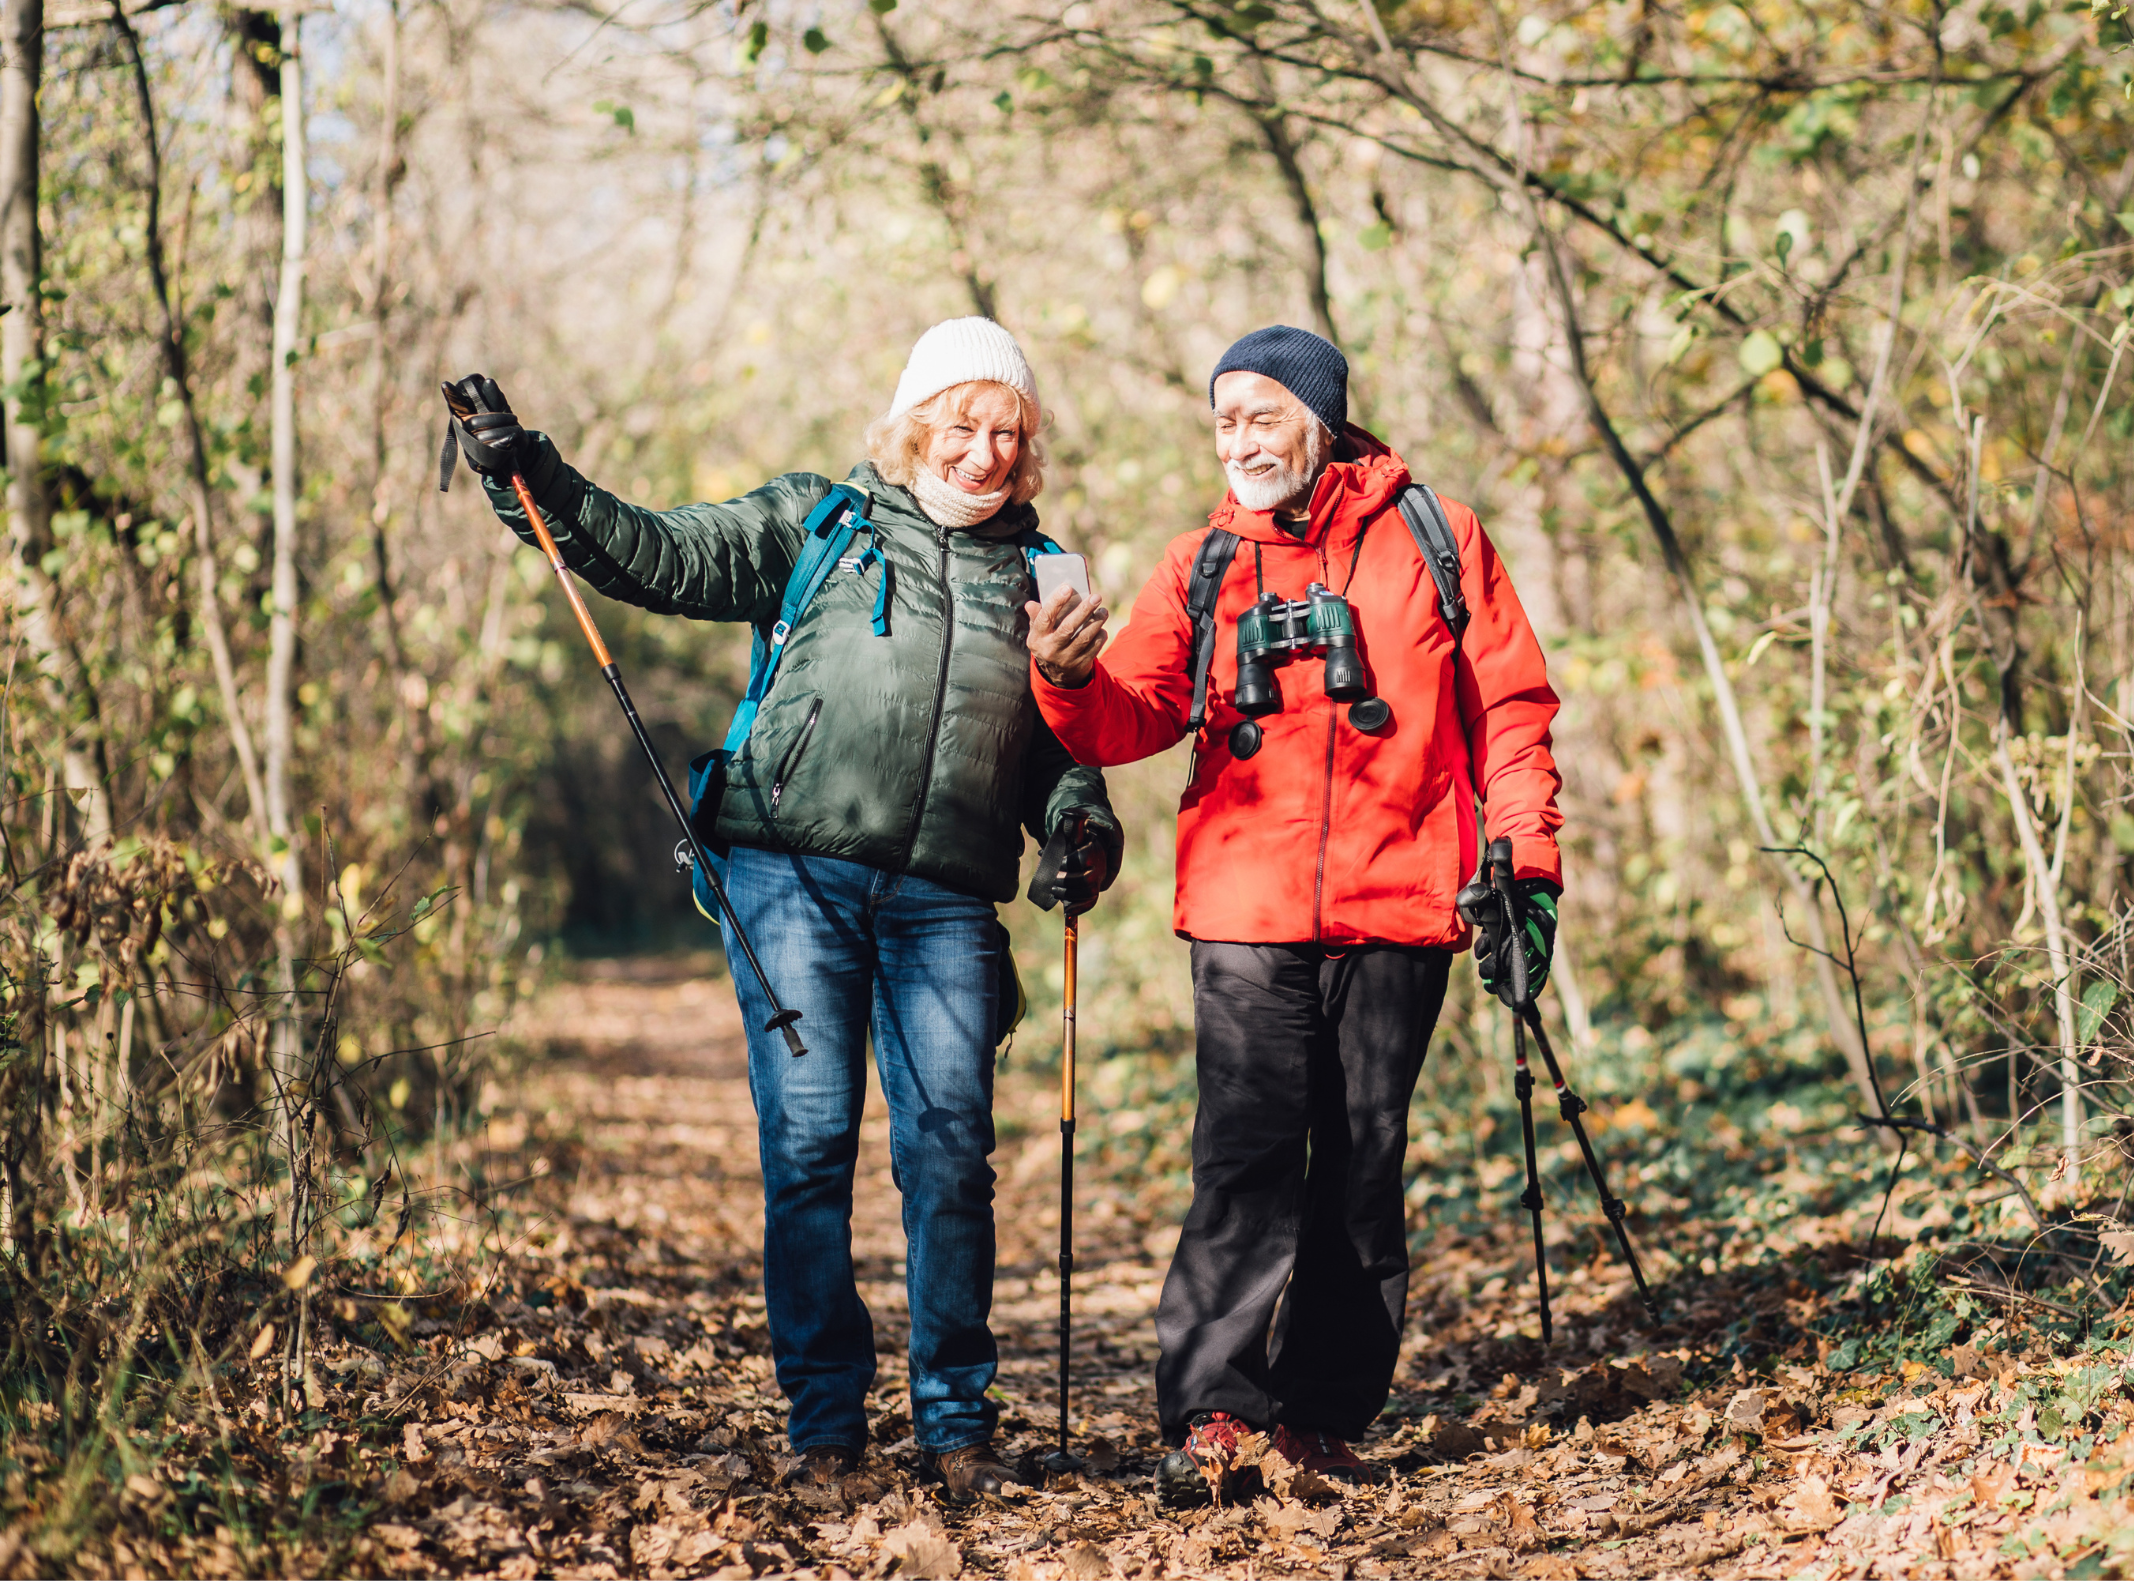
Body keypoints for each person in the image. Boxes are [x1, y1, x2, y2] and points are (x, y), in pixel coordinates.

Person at [444, 318, 1120, 1502]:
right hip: (790, 880)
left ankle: (956, 1425)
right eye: (963, 425)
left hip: (947, 906)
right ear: (916, 423)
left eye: (1010, 433)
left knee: (951, 1158)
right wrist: (531, 473)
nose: (986, 452)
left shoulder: (1045, 573)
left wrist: (1082, 825)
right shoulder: (820, 524)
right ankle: (827, 1426)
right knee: (809, 1149)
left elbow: (1068, 745)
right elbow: (653, 554)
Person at [1024, 324, 1562, 1503]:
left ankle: (1320, 1415)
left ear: (1320, 421)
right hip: (1244, 907)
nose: (1238, 440)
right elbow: (1129, 715)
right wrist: (1063, 678)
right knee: (1244, 1159)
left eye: (1261, 414)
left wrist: (1525, 866)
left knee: (1362, 1164)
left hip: (1401, 901)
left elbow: (1512, 711)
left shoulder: (1438, 536)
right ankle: (1213, 1411)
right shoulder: (1201, 562)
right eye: (1222, 419)